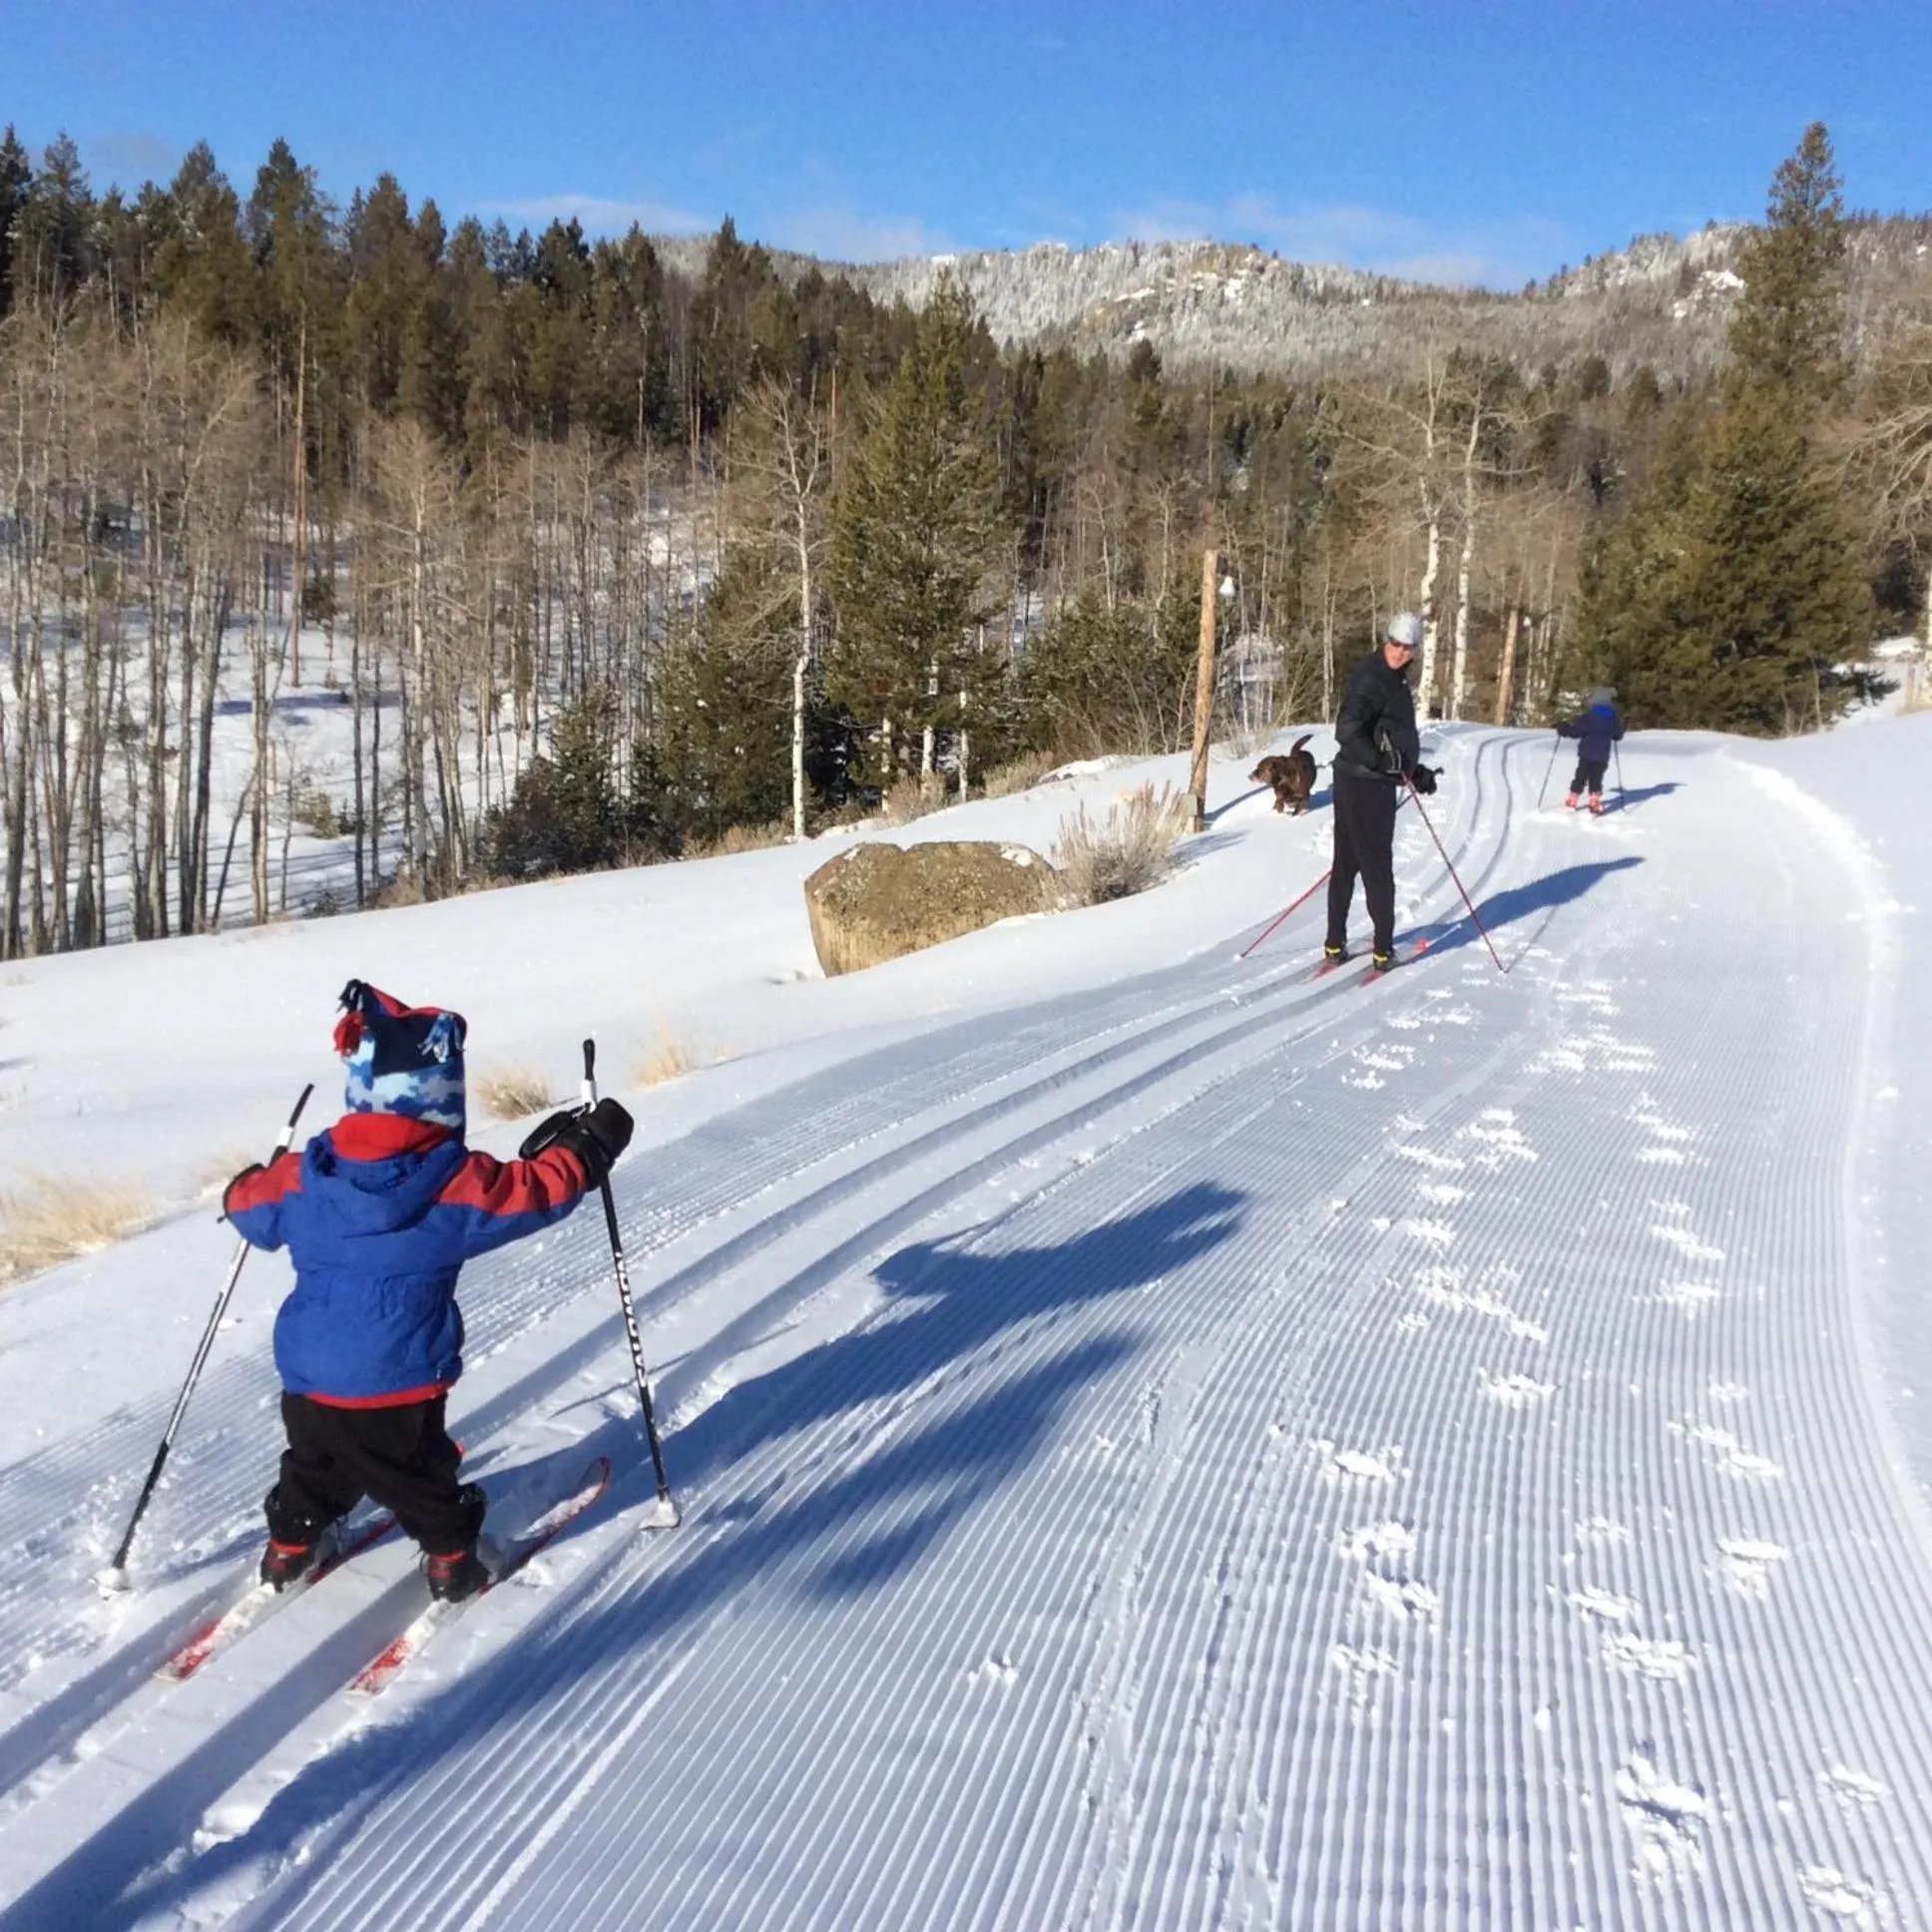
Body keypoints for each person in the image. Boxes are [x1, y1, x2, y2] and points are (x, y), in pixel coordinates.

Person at [224, 980, 633, 1603]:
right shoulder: (451, 1184)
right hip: (399, 1381)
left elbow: (249, 1210)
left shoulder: (305, 1174)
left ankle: (291, 1545)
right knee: (417, 1474)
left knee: (315, 1462)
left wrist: (244, 1183)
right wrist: (586, 1149)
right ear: (441, 1099)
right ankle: (451, 1559)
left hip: (307, 1376)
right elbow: (535, 1193)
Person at [1324, 611, 1437, 971]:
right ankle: (1384, 950)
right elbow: (1346, 729)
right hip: (1365, 785)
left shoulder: (1391, 677)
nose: (1400, 652)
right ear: (1385, 640)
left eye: (1408, 647)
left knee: (1348, 863)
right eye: (1395, 644)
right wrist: (1379, 763)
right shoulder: (1372, 677)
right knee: (1375, 867)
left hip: (1359, 779)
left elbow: (1388, 733)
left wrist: (1414, 772)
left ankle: (1334, 944)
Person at [1557, 685, 1626, 814]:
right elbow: (1617, 735)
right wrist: (1620, 731)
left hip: (1586, 754)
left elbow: (1575, 731)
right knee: (1596, 778)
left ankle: (1573, 799)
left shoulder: (1588, 717)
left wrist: (1564, 729)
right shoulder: (1613, 719)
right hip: (1602, 756)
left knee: (1581, 776)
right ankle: (1594, 800)